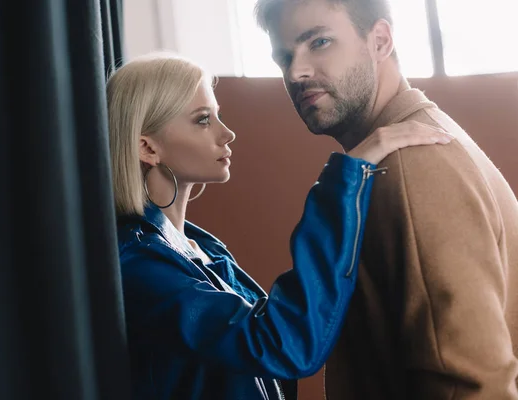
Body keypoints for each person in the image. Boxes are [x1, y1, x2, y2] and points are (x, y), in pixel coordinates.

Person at [106, 53, 451, 400]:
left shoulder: (201, 248)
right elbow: (282, 344)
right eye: (202, 120)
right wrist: (348, 176)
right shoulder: (138, 264)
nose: (227, 133)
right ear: (147, 147)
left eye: (218, 116)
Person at [254, 0, 518, 398]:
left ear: (380, 41)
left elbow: (470, 383)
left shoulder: (411, 165)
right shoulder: (405, 145)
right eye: (284, 57)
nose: (296, 72)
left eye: (320, 42)